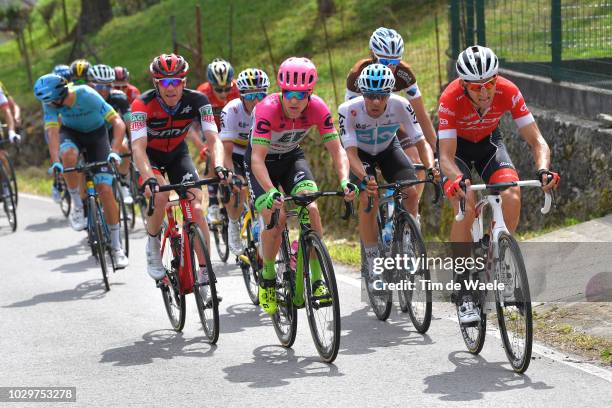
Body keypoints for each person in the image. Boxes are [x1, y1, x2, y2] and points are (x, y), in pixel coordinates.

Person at [438, 45, 560, 324]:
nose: (485, 92)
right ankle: (464, 285)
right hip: (456, 150)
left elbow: (536, 140)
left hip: (489, 146)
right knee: (466, 204)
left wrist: (543, 170)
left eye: (490, 84)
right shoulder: (450, 98)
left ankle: (499, 256)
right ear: (463, 85)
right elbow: (444, 156)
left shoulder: (508, 90)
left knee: (512, 194)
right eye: (476, 87)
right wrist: (456, 179)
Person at [245, 57, 356, 315]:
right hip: (261, 163)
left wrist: (344, 180)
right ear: (281, 91)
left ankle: (316, 280)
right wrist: (271, 190)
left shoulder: (317, 108)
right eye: (289, 94)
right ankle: (269, 276)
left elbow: (337, 150)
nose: (294, 100)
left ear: (310, 94)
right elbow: (257, 160)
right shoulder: (266, 109)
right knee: (278, 217)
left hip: (292, 157)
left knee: (312, 208)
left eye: (301, 94)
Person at [130, 53, 227, 294]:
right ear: (156, 84)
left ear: (184, 82)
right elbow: (138, 148)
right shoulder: (141, 105)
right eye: (164, 82)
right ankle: (153, 243)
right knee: (161, 197)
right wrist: (149, 178)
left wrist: (219, 166)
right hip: (150, 157)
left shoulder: (199, 100)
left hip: (177, 154)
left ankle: (205, 272)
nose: (170, 87)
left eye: (176, 81)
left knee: (195, 209)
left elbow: (214, 138)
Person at [338, 64, 434, 289]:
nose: (375, 102)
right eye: (370, 96)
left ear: (389, 94)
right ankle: (372, 262)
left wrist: (431, 167)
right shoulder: (347, 110)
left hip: (388, 149)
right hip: (360, 155)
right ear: (362, 93)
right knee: (367, 199)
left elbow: (421, 141)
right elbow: (349, 154)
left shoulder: (401, 106)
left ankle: (409, 239)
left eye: (381, 96)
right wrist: (365, 179)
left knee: (410, 190)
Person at [33, 73, 129, 268]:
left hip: (97, 136)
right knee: (67, 154)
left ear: (60, 95)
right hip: (72, 134)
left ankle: (117, 246)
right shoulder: (49, 103)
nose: (48, 105)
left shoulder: (86, 94)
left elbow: (117, 122)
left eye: (51, 101)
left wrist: (115, 150)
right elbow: (52, 132)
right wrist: (55, 161)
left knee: (105, 190)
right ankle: (77, 205)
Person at [345, 27, 438, 212]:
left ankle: (409, 213)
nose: (390, 67)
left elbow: (420, 116)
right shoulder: (358, 74)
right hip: (366, 129)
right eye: (385, 61)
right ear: (373, 55)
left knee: (417, 161)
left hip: (393, 124)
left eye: (395, 61)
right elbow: (351, 117)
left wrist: (437, 152)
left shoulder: (404, 73)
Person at [220, 68, 270, 255]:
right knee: (238, 190)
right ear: (241, 96)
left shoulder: (271, 108)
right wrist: (232, 175)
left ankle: (265, 226)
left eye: (261, 94)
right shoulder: (231, 110)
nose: (256, 100)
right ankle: (233, 225)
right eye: (250, 96)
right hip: (237, 154)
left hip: (261, 153)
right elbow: (226, 151)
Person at [194, 58, 240, 224]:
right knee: (212, 154)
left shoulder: (238, 89)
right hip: (209, 129)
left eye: (227, 88)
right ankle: (212, 203)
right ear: (210, 84)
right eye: (218, 89)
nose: (223, 93)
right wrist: (202, 146)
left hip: (232, 128)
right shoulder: (202, 93)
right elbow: (192, 125)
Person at [89, 64, 133, 204]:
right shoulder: (85, 99)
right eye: (99, 87)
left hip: (113, 131)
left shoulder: (119, 97)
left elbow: (128, 120)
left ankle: (124, 182)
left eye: (107, 86)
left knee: (125, 149)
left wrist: (134, 140)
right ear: (91, 85)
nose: (103, 91)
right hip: (93, 134)